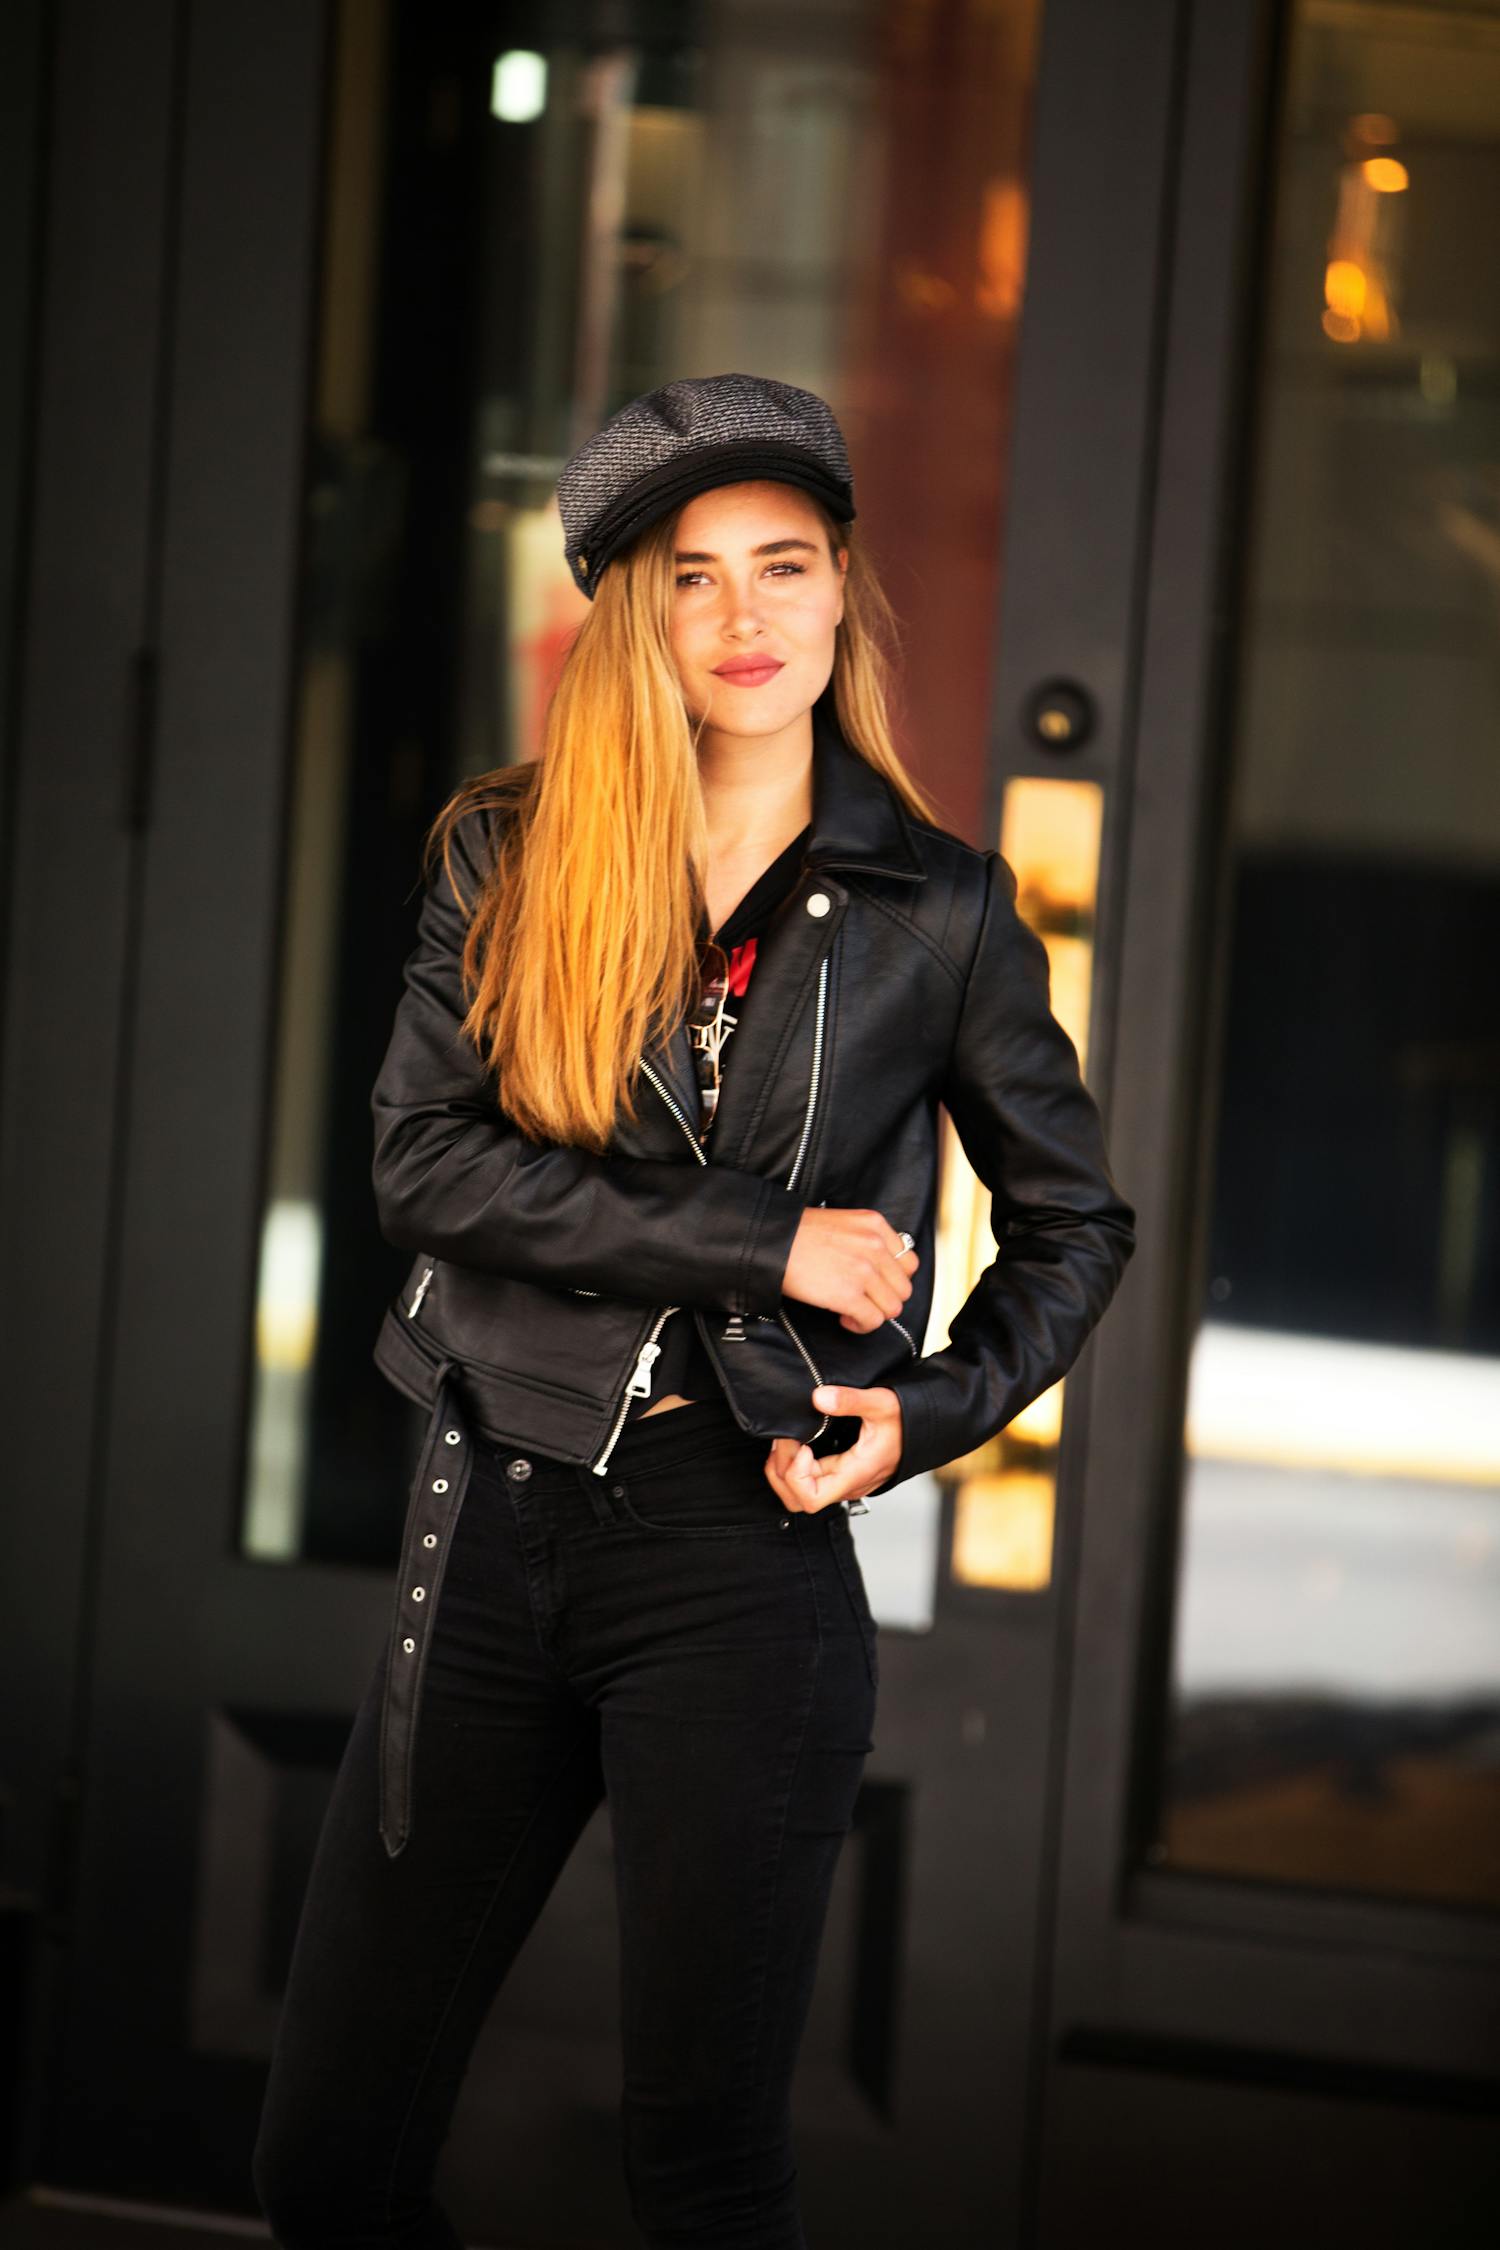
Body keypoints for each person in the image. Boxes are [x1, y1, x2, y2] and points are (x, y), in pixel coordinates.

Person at [252, 372, 1136, 2249]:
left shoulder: (943, 913)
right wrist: (766, 1243)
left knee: (704, 2176)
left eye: (782, 566)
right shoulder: (508, 851)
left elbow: (1075, 1225)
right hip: (488, 1533)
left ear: (840, 591)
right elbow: (426, 1168)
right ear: (627, 618)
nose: (744, 617)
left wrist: (928, 1409)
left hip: (739, 1560)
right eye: (691, 577)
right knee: (326, 2157)